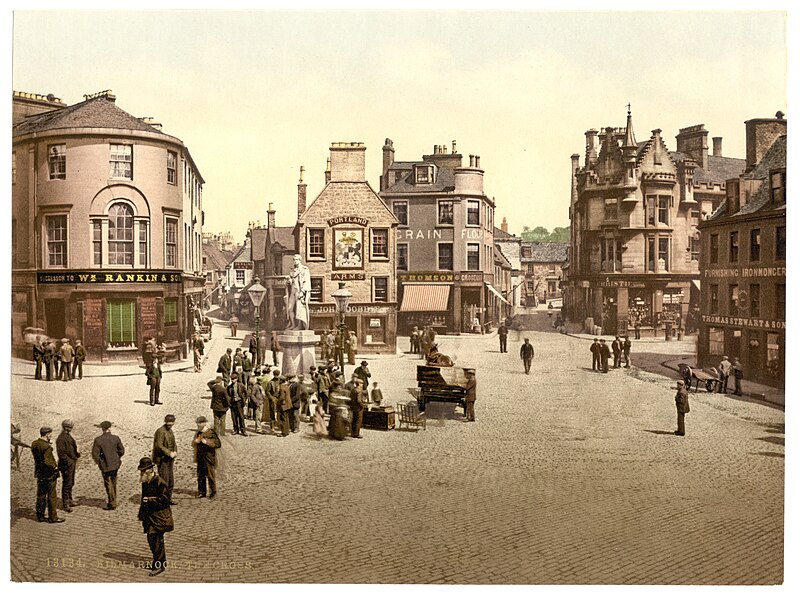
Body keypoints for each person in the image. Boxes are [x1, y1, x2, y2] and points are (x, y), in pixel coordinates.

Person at [136, 457, 174, 576]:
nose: (141, 473)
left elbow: (165, 501)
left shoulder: (160, 482)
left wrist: (151, 501)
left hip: (159, 517)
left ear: (149, 470)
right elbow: (143, 499)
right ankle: (157, 562)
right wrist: (141, 514)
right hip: (149, 517)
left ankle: (160, 565)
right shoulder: (145, 482)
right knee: (152, 540)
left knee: (157, 541)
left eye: (143, 471)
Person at [31, 426, 64, 523]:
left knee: (41, 494)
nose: (51, 435)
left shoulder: (35, 444)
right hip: (49, 474)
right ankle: (53, 517)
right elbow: (48, 461)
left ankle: (40, 516)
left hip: (40, 473)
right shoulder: (46, 447)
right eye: (50, 434)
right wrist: (55, 467)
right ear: (48, 434)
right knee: (51, 495)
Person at [91, 421, 125, 511]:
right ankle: (113, 499)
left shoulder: (98, 440)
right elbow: (122, 450)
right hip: (115, 464)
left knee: (108, 483)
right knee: (114, 482)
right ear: (110, 428)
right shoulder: (116, 438)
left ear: (102, 429)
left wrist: (100, 462)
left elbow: (95, 454)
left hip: (105, 465)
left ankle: (112, 503)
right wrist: (117, 458)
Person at [152, 415, 178, 504]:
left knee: (171, 480)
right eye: (168, 423)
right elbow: (159, 445)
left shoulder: (170, 431)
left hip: (170, 459)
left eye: (172, 423)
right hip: (162, 459)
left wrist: (175, 451)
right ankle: (162, 500)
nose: (170, 425)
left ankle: (168, 499)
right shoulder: (160, 431)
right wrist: (168, 452)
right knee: (164, 480)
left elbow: (174, 443)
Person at [193, 416, 221, 498]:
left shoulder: (211, 432)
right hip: (200, 457)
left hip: (209, 458)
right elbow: (194, 444)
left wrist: (207, 442)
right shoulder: (198, 433)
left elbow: (218, 444)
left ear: (204, 423)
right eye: (198, 424)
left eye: (200, 424)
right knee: (200, 475)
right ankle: (202, 492)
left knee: (210, 475)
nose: (198, 426)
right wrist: (195, 442)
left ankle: (213, 492)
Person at [55, 419, 80, 513]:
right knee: (67, 483)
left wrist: (76, 454)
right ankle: (65, 504)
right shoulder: (61, 438)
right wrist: (69, 461)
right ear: (64, 427)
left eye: (71, 427)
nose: (70, 429)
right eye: (68, 427)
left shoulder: (67, 436)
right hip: (66, 464)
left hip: (71, 462)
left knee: (71, 482)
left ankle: (70, 499)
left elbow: (71, 448)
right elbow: (62, 454)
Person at [286, 254, 312, 330]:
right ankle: (293, 324)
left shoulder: (304, 269)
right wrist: (289, 280)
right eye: (294, 260)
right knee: (290, 308)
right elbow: (292, 282)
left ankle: (300, 325)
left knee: (299, 309)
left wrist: (302, 291)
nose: (295, 261)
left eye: (296, 259)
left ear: (300, 260)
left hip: (299, 291)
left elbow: (306, 281)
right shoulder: (292, 270)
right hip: (292, 291)